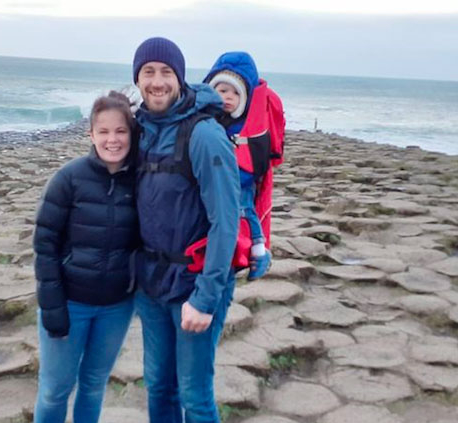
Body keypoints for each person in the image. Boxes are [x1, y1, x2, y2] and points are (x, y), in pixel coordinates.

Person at [131, 37, 240, 423]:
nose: (157, 81)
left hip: (195, 285)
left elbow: (226, 222)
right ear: (137, 79)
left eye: (165, 72)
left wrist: (206, 297)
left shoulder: (204, 135)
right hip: (152, 284)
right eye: (148, 72)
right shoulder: (139, 130)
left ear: (179, 78)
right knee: (159, 386)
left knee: (194, 396)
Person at [32, 91, 138, 423]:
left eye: (120, 131)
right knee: (54, 390)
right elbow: (45, 244)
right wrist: (53, 309)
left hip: (117, 306)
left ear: (131, 135)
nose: (112, 139)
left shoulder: (142, 180)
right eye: (103, 131)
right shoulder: (68, 178)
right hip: (70, 303)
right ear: (91, 134)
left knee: (93, 385)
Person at [204, 52, 284, 280]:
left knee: (245, 212)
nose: (228, 97)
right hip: (214, 183)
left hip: (240, 182)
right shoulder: (206, 120)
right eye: (222, 91)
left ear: (245, 98)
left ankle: (259, 252)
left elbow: (254, 163)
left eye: (235, 93)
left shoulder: (247, 126)